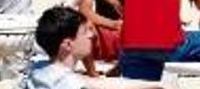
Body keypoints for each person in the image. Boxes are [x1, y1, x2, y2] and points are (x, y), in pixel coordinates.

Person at [25, 6, 159, 89]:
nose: (91, 35)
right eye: (84, 32)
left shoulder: (39, 69)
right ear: (68, 45)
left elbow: (97, 84)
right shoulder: (66, 83)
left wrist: (154, 85)